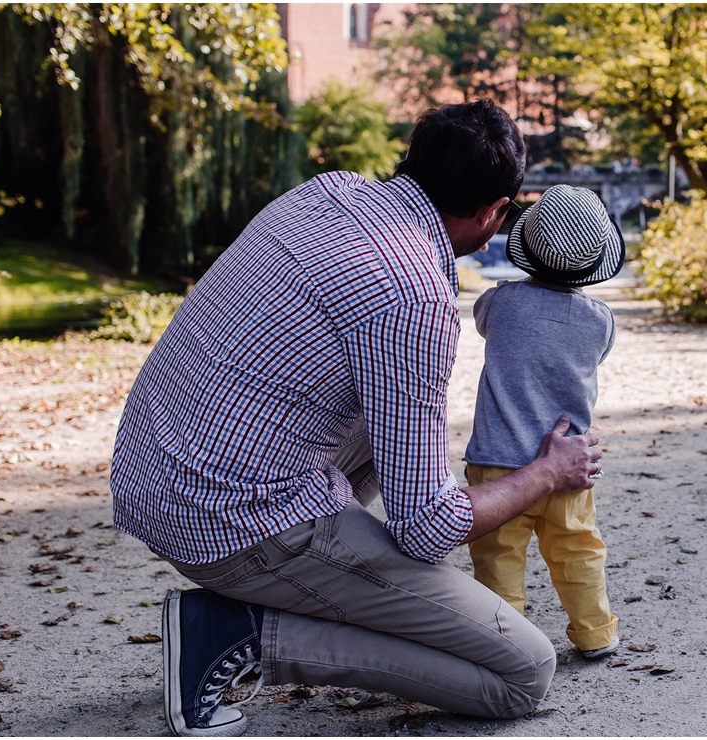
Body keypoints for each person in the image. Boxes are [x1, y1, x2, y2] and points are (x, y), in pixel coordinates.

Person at [109, 100, 603, 737]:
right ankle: (239, 635)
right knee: (522, 671)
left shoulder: (326, 192)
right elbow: (428, 527)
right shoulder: (414, 292)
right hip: (231, 521)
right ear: (491, 211)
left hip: (153, 471)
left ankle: (332, 584)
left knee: (391, 418)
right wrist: (544, 474)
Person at [463, 185, 624, 660]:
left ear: (526, 250)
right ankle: (595, 633)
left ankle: (505, 644)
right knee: (579, 551)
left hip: (498, 467)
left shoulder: (500, 304)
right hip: (570, 465)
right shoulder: (600, 321)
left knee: (498, 559)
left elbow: (480, 321)